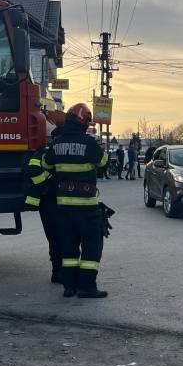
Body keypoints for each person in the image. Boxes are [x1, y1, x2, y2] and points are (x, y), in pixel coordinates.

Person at [43, 103, 109, 298]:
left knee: (68, 246)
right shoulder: (88, 143)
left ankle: (69, 286)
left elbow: (46, 163)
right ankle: (87, 287)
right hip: (86, 207)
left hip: (63, 207)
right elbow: (103, 162)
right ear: (84, 122)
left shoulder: (57, 143)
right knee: (92, 245)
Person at [25, 125, 63, 284]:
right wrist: (47, 184)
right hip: (48, 202)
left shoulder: (59, 153)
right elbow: (33, 171)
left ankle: (61, 271)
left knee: (60, 238)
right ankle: (58, 272)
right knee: (56, 238)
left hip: (56, 201)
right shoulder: (43, 153)